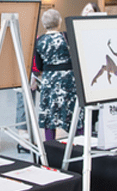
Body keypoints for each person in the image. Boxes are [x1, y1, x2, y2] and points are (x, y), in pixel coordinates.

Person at [33, 9, 82, 141]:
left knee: (49, 114)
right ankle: (80, 142)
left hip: (49, 80)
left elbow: (38, 65)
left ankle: (50, 144)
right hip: (69, 79)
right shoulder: (66, 36)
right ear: (59, 22)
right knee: (73, 111)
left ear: (44, 24)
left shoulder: (39, 41)